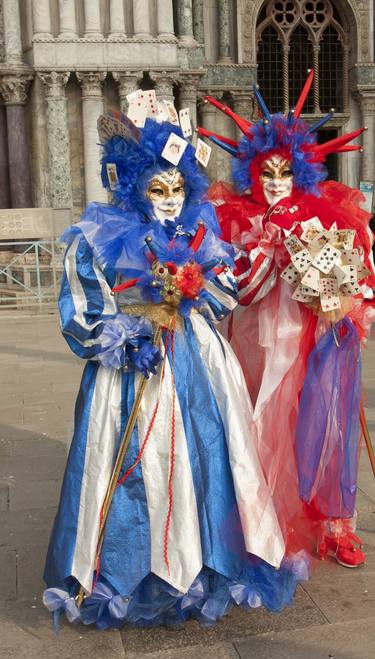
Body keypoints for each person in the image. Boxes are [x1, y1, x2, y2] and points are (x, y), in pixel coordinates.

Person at [42, 104, 309, 630]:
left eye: (177, 190)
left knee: (207, 454)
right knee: (135, 467)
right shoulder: (100, 237)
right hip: (132, 371)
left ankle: (206, 563)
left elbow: (226, 292)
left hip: (197, 361)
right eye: (157, 190)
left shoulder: (200, 234)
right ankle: (129, 572)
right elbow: (83, 311)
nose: (169, 202)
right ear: (135, 188)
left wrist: (192, 285)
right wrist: (122, 340)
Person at [198, 69, 375, 568]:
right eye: (267, 174)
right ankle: (262, 520)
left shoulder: (331, 214)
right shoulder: (234, 218)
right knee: (258, 424)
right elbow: (238, 292)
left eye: (286, 174)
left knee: (323, 428)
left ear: (302, 173)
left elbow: (360, 275)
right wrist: (269, 242)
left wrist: (348, 309)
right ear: (252, 173)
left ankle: (333, 523)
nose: (276, 185)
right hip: (255, 341)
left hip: (312, 338)